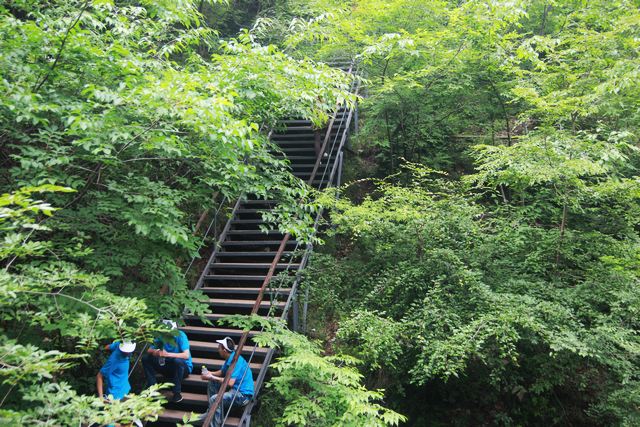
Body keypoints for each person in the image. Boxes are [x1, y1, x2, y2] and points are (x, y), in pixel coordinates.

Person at [201, 336, 254, 427]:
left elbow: (230, 383)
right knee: (212, 383)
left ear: (224, 350)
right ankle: (211, 411)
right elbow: (222, 372)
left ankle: (215, 424)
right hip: (234, 389)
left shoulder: (236, 361)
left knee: (215, 398)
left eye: (219, 347)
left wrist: (212, 377)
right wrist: (210, 374)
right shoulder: (231, 357)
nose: (218, 349)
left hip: (242, 395)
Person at [142, 319, 193, 403]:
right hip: (167, 365)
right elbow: (149, 350)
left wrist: (168, 354)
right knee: (146, 359)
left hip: (183, 368)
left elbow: (186, 355)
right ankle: (153, 389)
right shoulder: (161, 336)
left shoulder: (181, 335)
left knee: (178, 361)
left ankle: (177, 392)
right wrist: (157, 352)